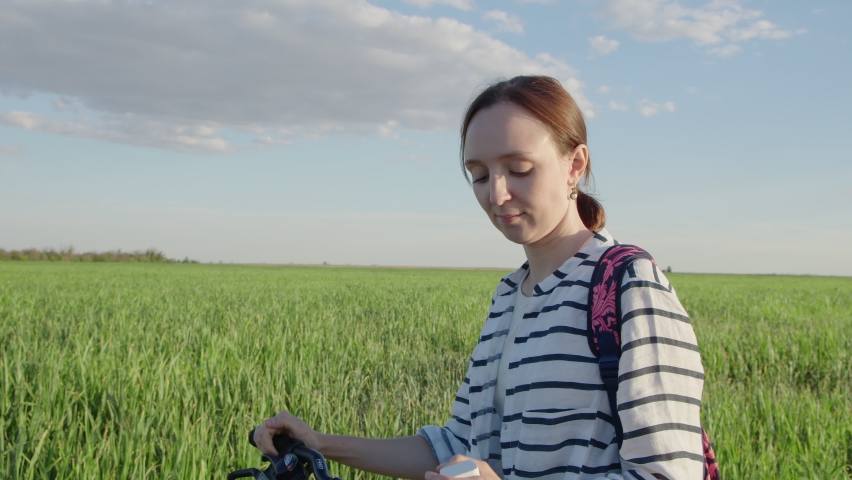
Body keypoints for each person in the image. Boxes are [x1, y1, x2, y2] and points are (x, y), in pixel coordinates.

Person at [252, 76, 706, 479]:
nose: (497, 194)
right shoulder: (509, 295)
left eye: (519, 169)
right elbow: (458, 447)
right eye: (480, 175)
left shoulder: (627, 285)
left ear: (575, 165)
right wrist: (321, 444)